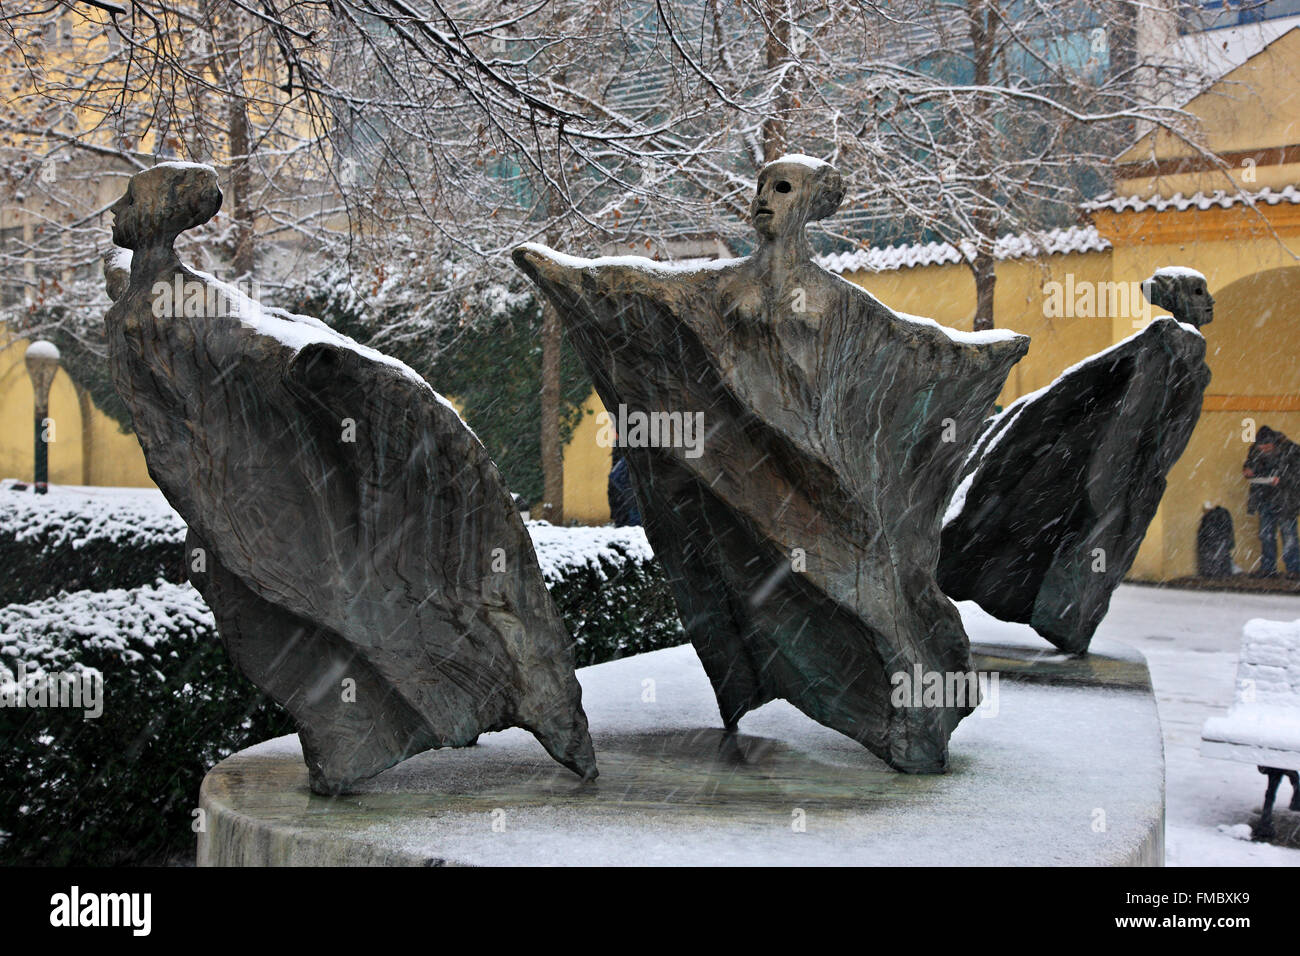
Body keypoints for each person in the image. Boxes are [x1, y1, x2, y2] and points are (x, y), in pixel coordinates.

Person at [1243, 425, 1300, 576]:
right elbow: (1251, 464)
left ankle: (1294, 569)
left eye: (1267, 447)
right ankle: (1268, 568)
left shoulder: (1291, 450)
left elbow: (1297, 475)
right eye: (1261, 448)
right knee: (1266, 534)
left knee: (1289, 535)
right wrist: (1248, 469)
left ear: (1274, 443)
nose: (1264, 450)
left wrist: (1281, 480)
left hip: (1285, 499)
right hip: (1264, 498)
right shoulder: (1255, 450)